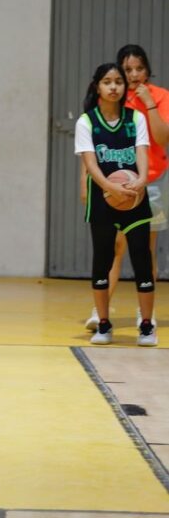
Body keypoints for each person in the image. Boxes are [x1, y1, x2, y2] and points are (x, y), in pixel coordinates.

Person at [83, 44, 169, 331]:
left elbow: (161, 137)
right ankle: (100, 310)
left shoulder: (159, 97)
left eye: (139, 68)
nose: (133, 75)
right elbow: (92, 144)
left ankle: (146, 314)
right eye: (127, 69)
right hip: (113, 184)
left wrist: (150, 103)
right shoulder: (115, 98)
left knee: (145, 248)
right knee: (113, 247)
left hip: (151, 181)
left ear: (147, 69)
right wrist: (87, 182)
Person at [74, 63, 155, 346]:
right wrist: (109, 187)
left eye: (118, 82)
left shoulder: (136, 119)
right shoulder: (86, 122)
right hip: (103, 200)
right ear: (98, 86)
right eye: (107, 82)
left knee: (142, 259)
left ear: (124, 87)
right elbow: (90, 163)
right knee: (103, 259)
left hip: (135, 198)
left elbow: (142, 152)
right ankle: (104, 324)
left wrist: (142, 180)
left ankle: (146, 325)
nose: (113, 87)